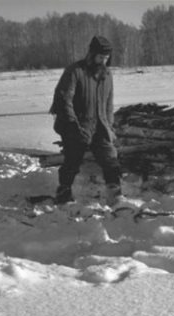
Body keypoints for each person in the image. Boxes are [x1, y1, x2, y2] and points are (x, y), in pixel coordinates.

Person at [49, 35, 122, 205]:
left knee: (111, 158)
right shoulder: (75, 71)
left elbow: (109, 103)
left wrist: (109, 126)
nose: (103, 61)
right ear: (91, 54)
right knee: (72, 159)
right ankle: (64, 191)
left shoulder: (107, 74)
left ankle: (115, 194)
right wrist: (74, 126)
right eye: (100, 57)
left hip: (100, 126)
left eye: (106, 58)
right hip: (77, 125)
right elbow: (63, 99)